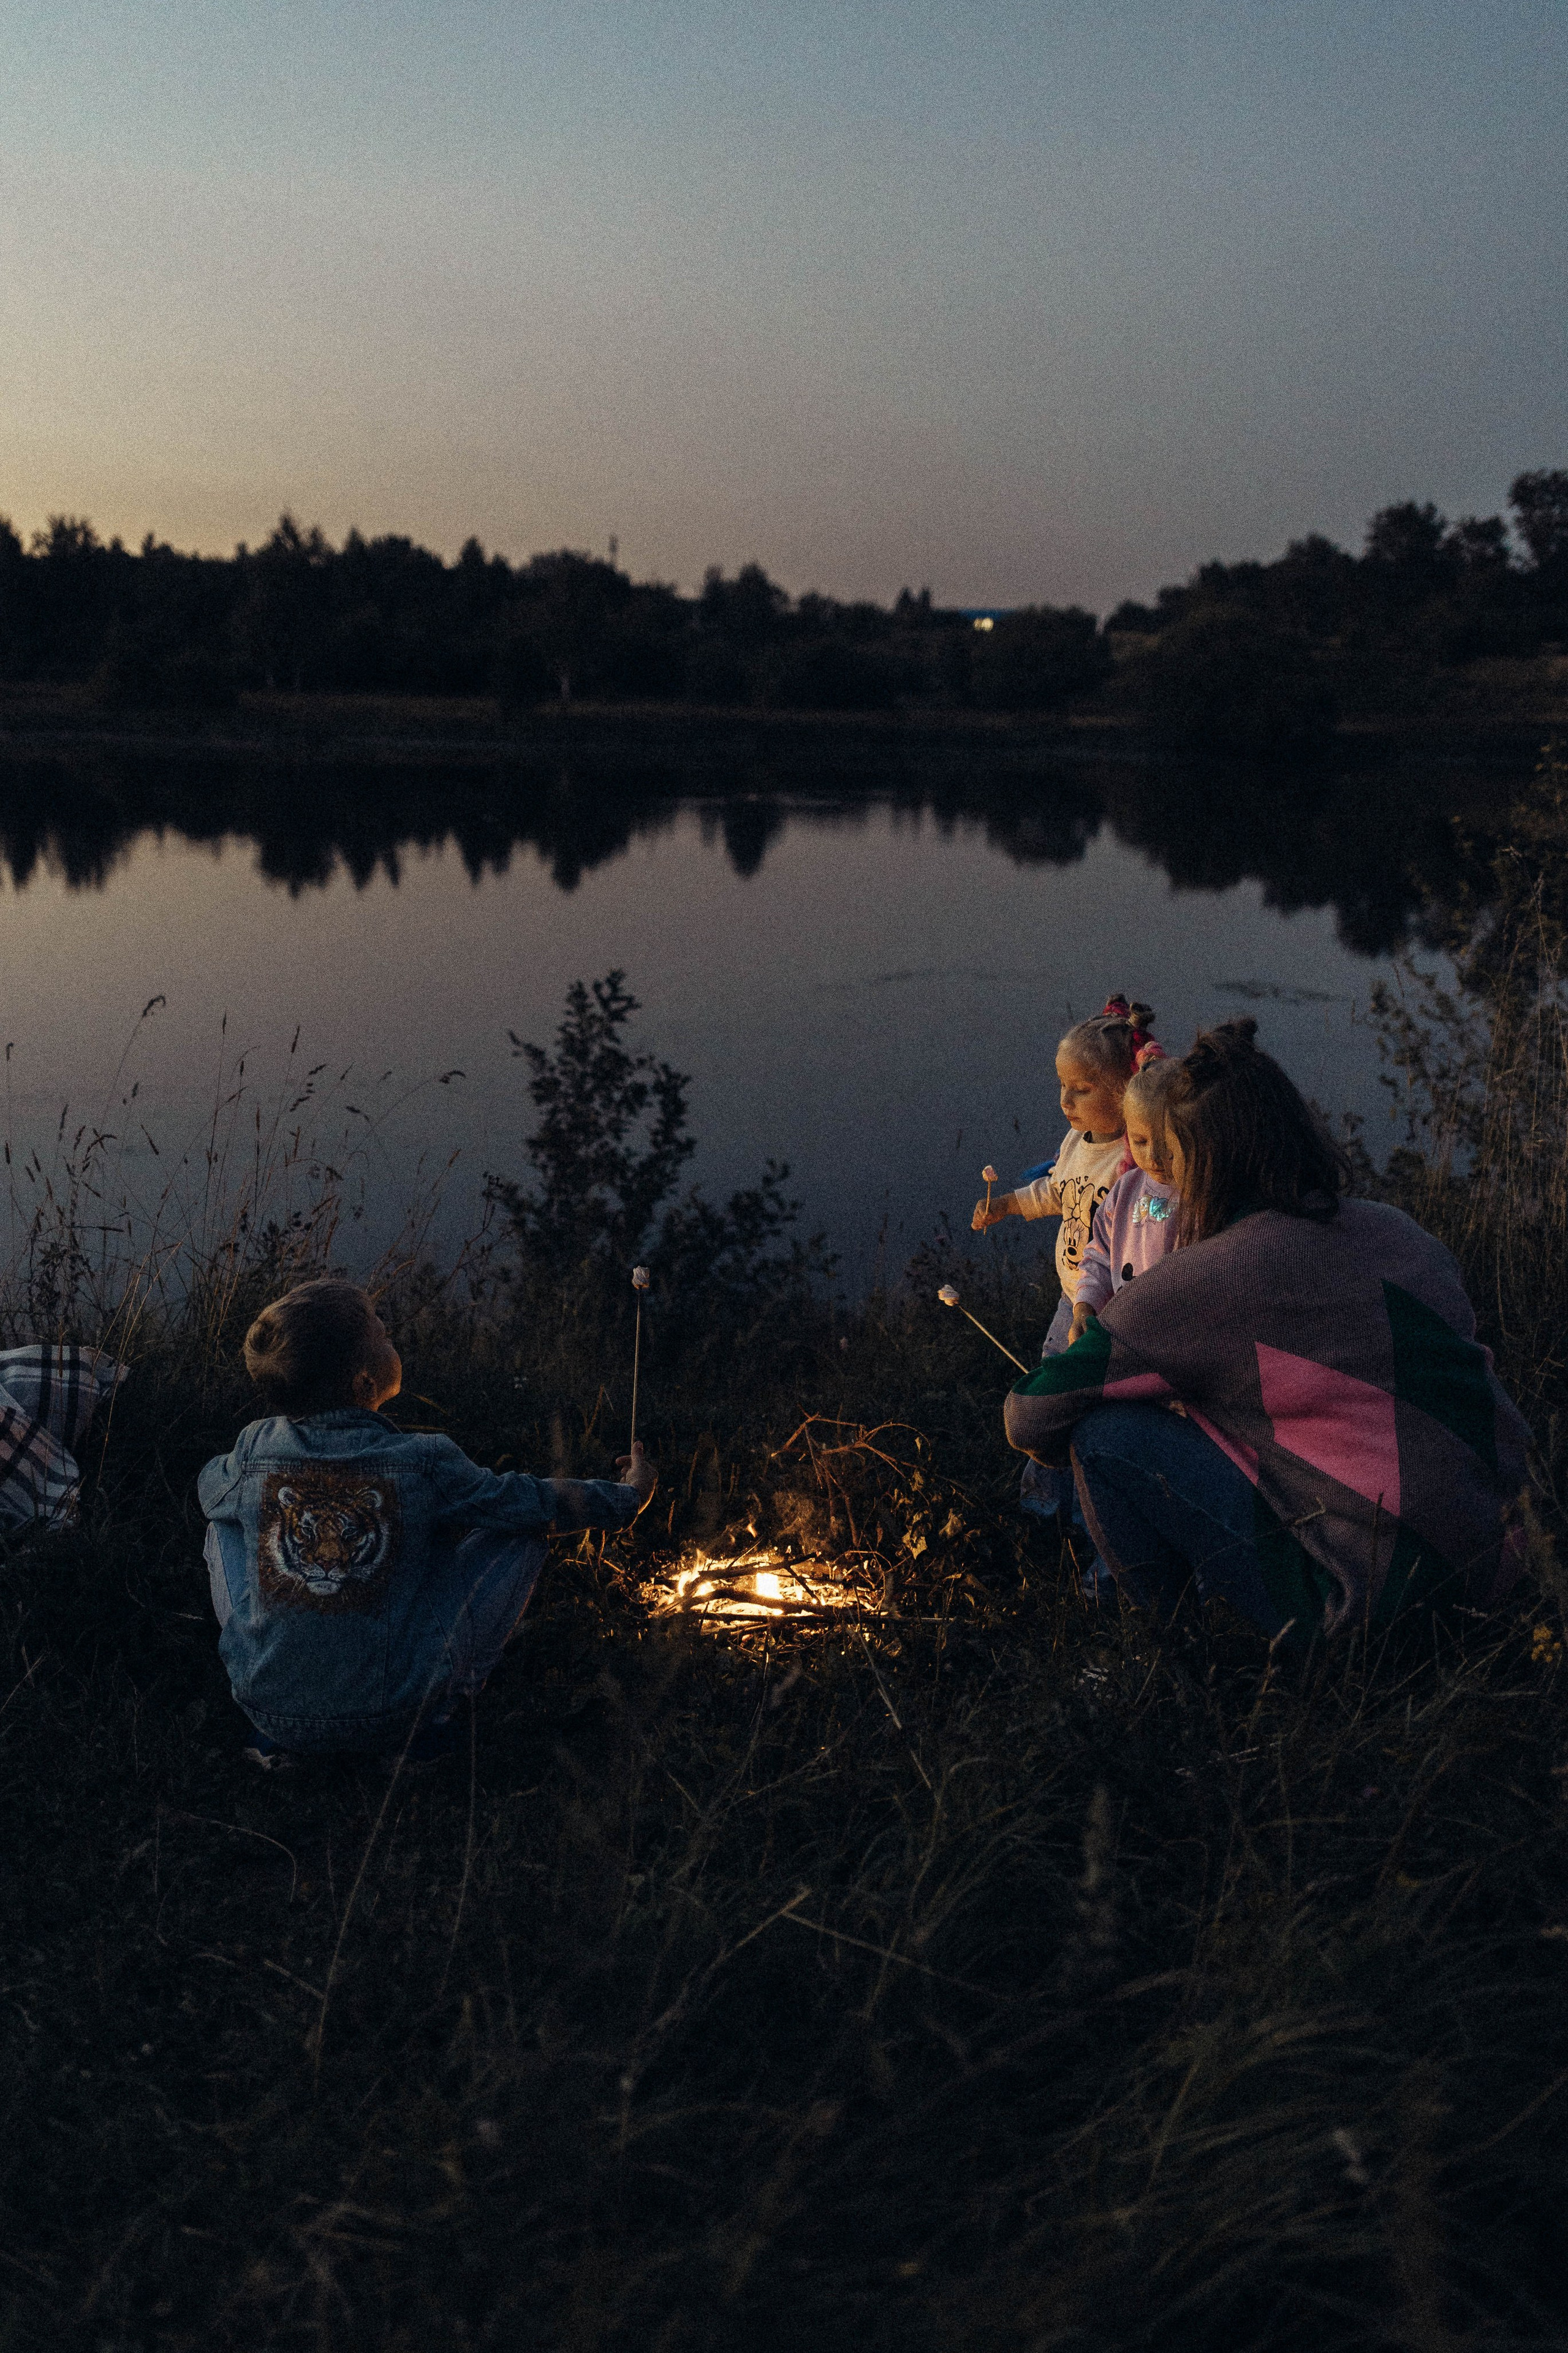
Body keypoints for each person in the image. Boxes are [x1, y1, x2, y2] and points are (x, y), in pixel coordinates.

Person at [1002, 1021, 1529, 1643]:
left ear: (1199, 1162)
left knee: (1105, 1432)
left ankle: (1174, 1661)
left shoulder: (1203, 1279)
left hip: (1371, 1610)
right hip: (1508, 1566)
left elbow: (1029, 1414)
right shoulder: (1402, 1232)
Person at [199, 1278, 655, 1766]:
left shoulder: (252, 1449)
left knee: (222, 1520)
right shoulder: (423, 1459)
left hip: (271, 1712)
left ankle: (282, 1702)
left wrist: (257, 1489)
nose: (393, 1340)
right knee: (524, 1521)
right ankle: (432, 1721)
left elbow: (208, 1486)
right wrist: (629, 1495)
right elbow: (534, 1499)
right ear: (365, 1382)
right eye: (384, 1335)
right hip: (398, 1714)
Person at [972, 993, 1155, 1521]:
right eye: (1062, 1086)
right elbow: (1056, 1190)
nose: (1066, 1100)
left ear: (1125, 1092)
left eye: (1082, 1088)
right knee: (1052, 1392)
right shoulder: (1077, 1140)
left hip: (1113, 1310)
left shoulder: (1133, 1163)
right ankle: (1042, 1505)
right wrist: (1006, 1204)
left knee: (1094, 1407)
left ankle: (1090, 1513)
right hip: (1069, 1296)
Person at [1068, 1050, 1182, 1345]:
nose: (1154, 1156)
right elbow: (1100, 1254)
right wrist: (1086, 1304)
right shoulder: (1126, 1189)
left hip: (1172, 1337)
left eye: (1169, 1141)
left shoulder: (1198, 1196)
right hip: (1120, 1329)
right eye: (1140, 1141)